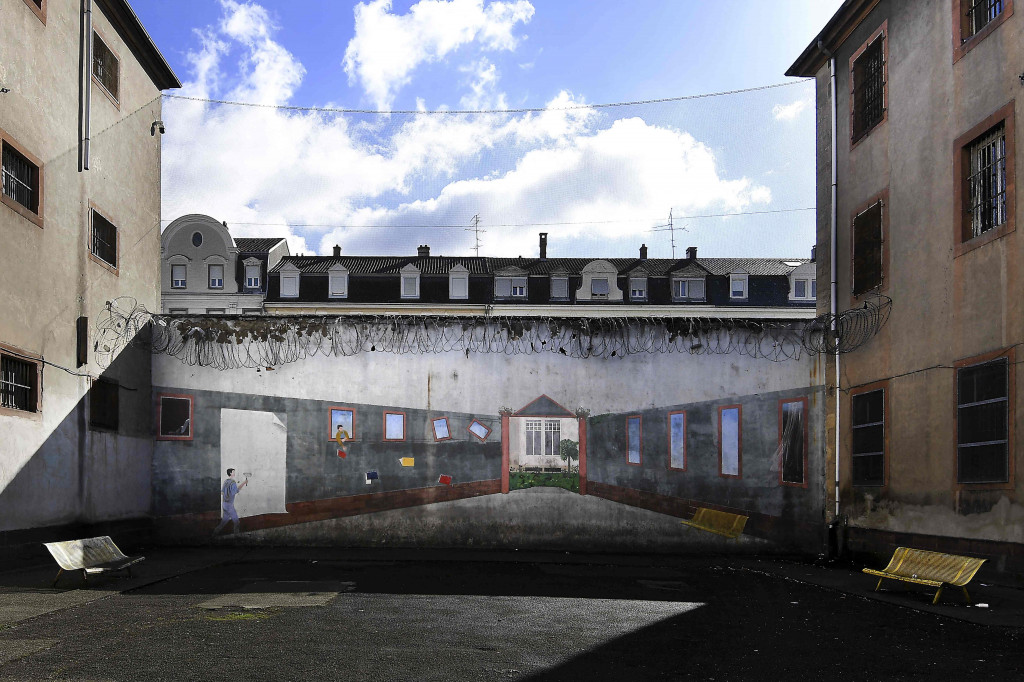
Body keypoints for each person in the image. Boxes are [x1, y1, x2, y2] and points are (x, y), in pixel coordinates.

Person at [212, 468, 248, 536]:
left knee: (223, 522)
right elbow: (236, 491)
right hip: (229, 506)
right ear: (231, 473)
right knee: (237, 522)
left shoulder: (226, 481)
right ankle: (237, 537)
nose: (234, 473)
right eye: (233, 472)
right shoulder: (233, 482)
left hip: (224, 504)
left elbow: (222, 493)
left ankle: (214, 533)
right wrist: (244, 483)